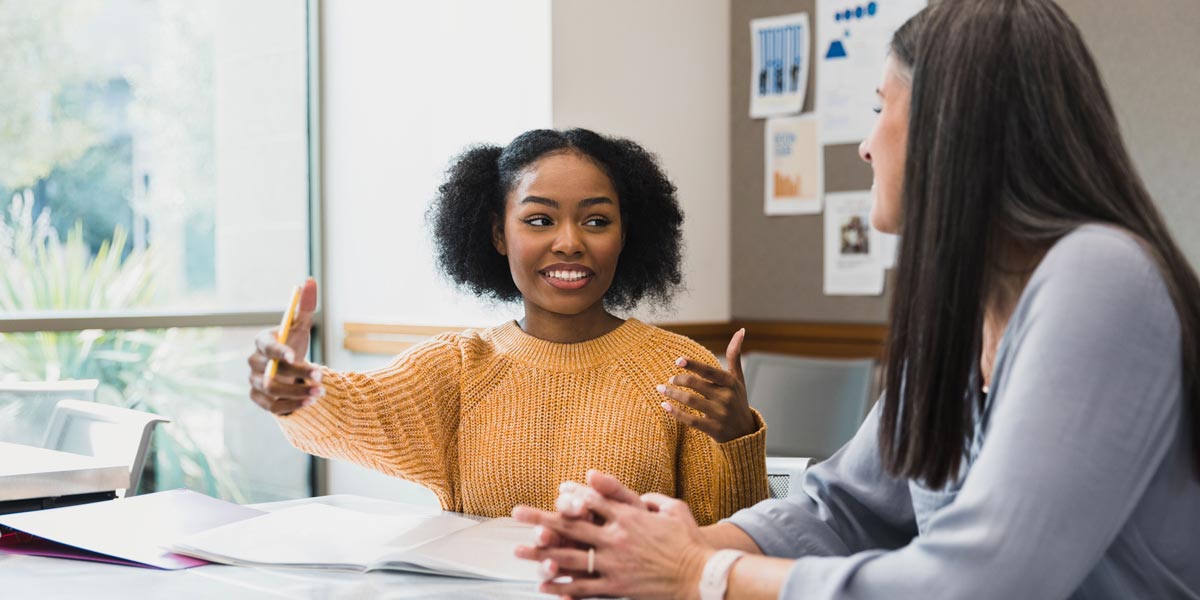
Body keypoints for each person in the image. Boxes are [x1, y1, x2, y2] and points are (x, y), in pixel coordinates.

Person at [512, 1, 1200, 598]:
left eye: (880, 108)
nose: (867, 146)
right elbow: (846, 506)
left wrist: (703, 574)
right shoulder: (958, 313)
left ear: (946, 126)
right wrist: (654, 547)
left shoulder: (1102, 276)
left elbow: (985, 584)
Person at [246, 128, 768, 523]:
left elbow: (729, 546)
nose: (569, 242)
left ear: (627, 234)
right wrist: (295, 389)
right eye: (539, 220)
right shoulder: (459, 367)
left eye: (596, 220)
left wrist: (738, 438)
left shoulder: (678, 369)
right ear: (498, 234)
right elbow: (355, 408)